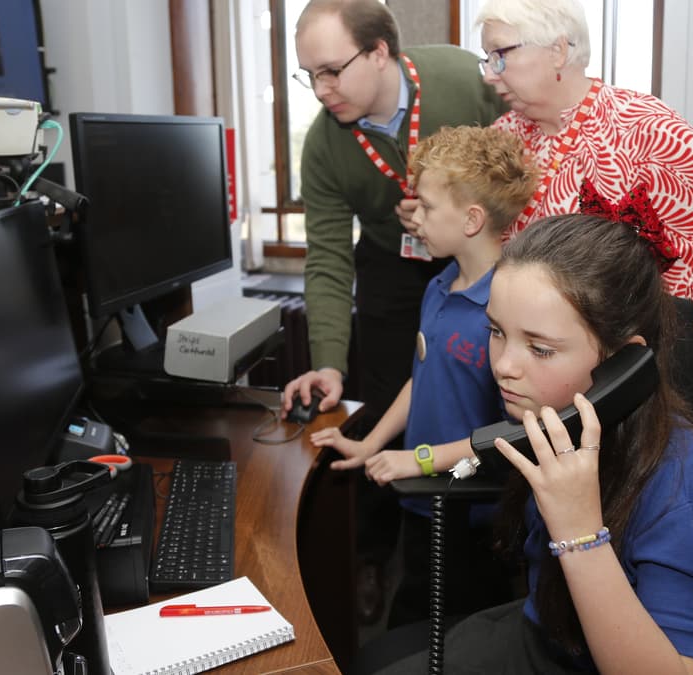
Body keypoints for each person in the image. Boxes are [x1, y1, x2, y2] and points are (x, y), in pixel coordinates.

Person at [375, 213, 693, 674]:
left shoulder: (686, 478)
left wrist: (579, 534)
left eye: (540, 349)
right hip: (540, 631)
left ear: (622, 363)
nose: (503, 365)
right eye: (496, 332)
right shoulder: (550, 424)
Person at [284, 0, 507, 622]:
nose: (322, 90)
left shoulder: (462, 79)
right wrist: (328, 363)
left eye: (332, 70)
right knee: (385, 398)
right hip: (391, 263)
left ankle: (491, 538)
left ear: (380, 50)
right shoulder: (326, 145)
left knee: (488, 385)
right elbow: (328, 258)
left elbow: (525, 162)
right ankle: (376, 559)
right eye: (310, 75)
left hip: (479, 245)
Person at [310, 125, 538, 626]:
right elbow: (424, 377)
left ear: (472, 219)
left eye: (429, 207)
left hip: (469, 505)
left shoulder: (508, 307)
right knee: (412, 618)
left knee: (455, 632)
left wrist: (421, 460)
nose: (417, 217)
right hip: (423, 496)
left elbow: (514, 432)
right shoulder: (439, 286)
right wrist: (372, 444)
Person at [462, 0, 693, 341]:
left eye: (500, 54)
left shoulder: (645, 127)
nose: (489, 75)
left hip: (636, 351)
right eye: (486, 59)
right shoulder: (501, 139)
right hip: (525, 347)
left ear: (557, 50)